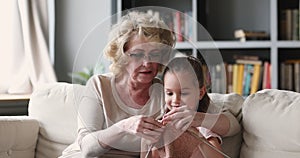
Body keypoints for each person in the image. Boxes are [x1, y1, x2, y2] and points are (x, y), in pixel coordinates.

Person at [60, 11, 239, 158]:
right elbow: (87, 148)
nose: (147, 63)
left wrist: (197, 117)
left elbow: (232, 125)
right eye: (137, 55)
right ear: (121, 56)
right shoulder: (99, 85)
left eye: (154, 54)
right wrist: (124, 127)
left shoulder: (168, 92)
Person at [141, 56, 224, 158]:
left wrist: (197, 137)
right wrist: (146, 143)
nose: (176, 100)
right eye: (170, 93)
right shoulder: (162, 127)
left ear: (200, 93)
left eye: (184, 93)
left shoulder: (202, 126)